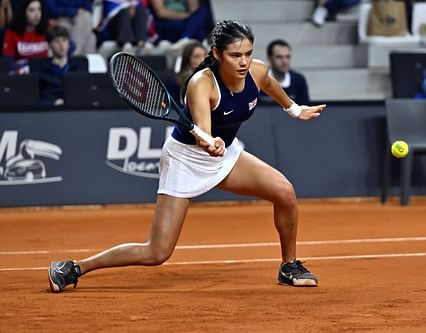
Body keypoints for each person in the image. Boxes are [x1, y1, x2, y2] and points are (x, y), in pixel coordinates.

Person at [48, 20, 326, 293]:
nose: (243, 62)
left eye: (248, 54)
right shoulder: (201, 84)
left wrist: (293, 109)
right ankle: (75, 267)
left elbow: (269, 84)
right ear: (217, 54)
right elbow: (203, 132)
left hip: (226, 155)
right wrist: (210, 142)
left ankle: (288, 267)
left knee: (285, 193)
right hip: (186, 160)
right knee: (156, 252)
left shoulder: (256, 71)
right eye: (235, 55)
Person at [38, 25, 87, 106]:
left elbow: (85, 93)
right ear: (49, 45)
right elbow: (39, 97)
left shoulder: (80, 68)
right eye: (56, 41)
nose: (61, 45)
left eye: (64, 40)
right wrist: (53, 103)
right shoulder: (42, 71)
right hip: (50, 111)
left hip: (76, 110)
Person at [2, 0, 48, 74]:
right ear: (23, 12)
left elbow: (69, 46)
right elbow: (8, 64)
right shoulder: (11, 34)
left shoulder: (47, 29)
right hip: (21, 76)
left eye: (39, 9)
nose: (37, 14)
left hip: (44, 75)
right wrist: (29, 65)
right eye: (31, 10)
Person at [260, 39, 310, 106]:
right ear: (269, 58)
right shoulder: (258, 80)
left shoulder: (299, 81)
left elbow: (305, 109)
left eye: (287, 57)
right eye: (279, 57)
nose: (284, 61)